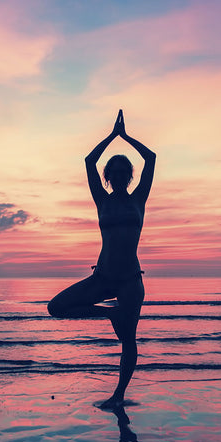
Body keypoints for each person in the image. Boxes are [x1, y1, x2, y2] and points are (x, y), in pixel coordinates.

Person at [48, 109, 156, 408]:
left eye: (125, 172)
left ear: (130, 176)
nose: (120, 176)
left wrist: (126, 137)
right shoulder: (102, 200)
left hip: (130, 280)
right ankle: (110, 313)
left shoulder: (139, 199)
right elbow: (88, 162)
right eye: (115, 172)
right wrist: (111, 136)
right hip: (103, 276)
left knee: (129, 340)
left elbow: (152, 159)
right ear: (108, 177)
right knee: (56, 307)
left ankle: (118, 396)